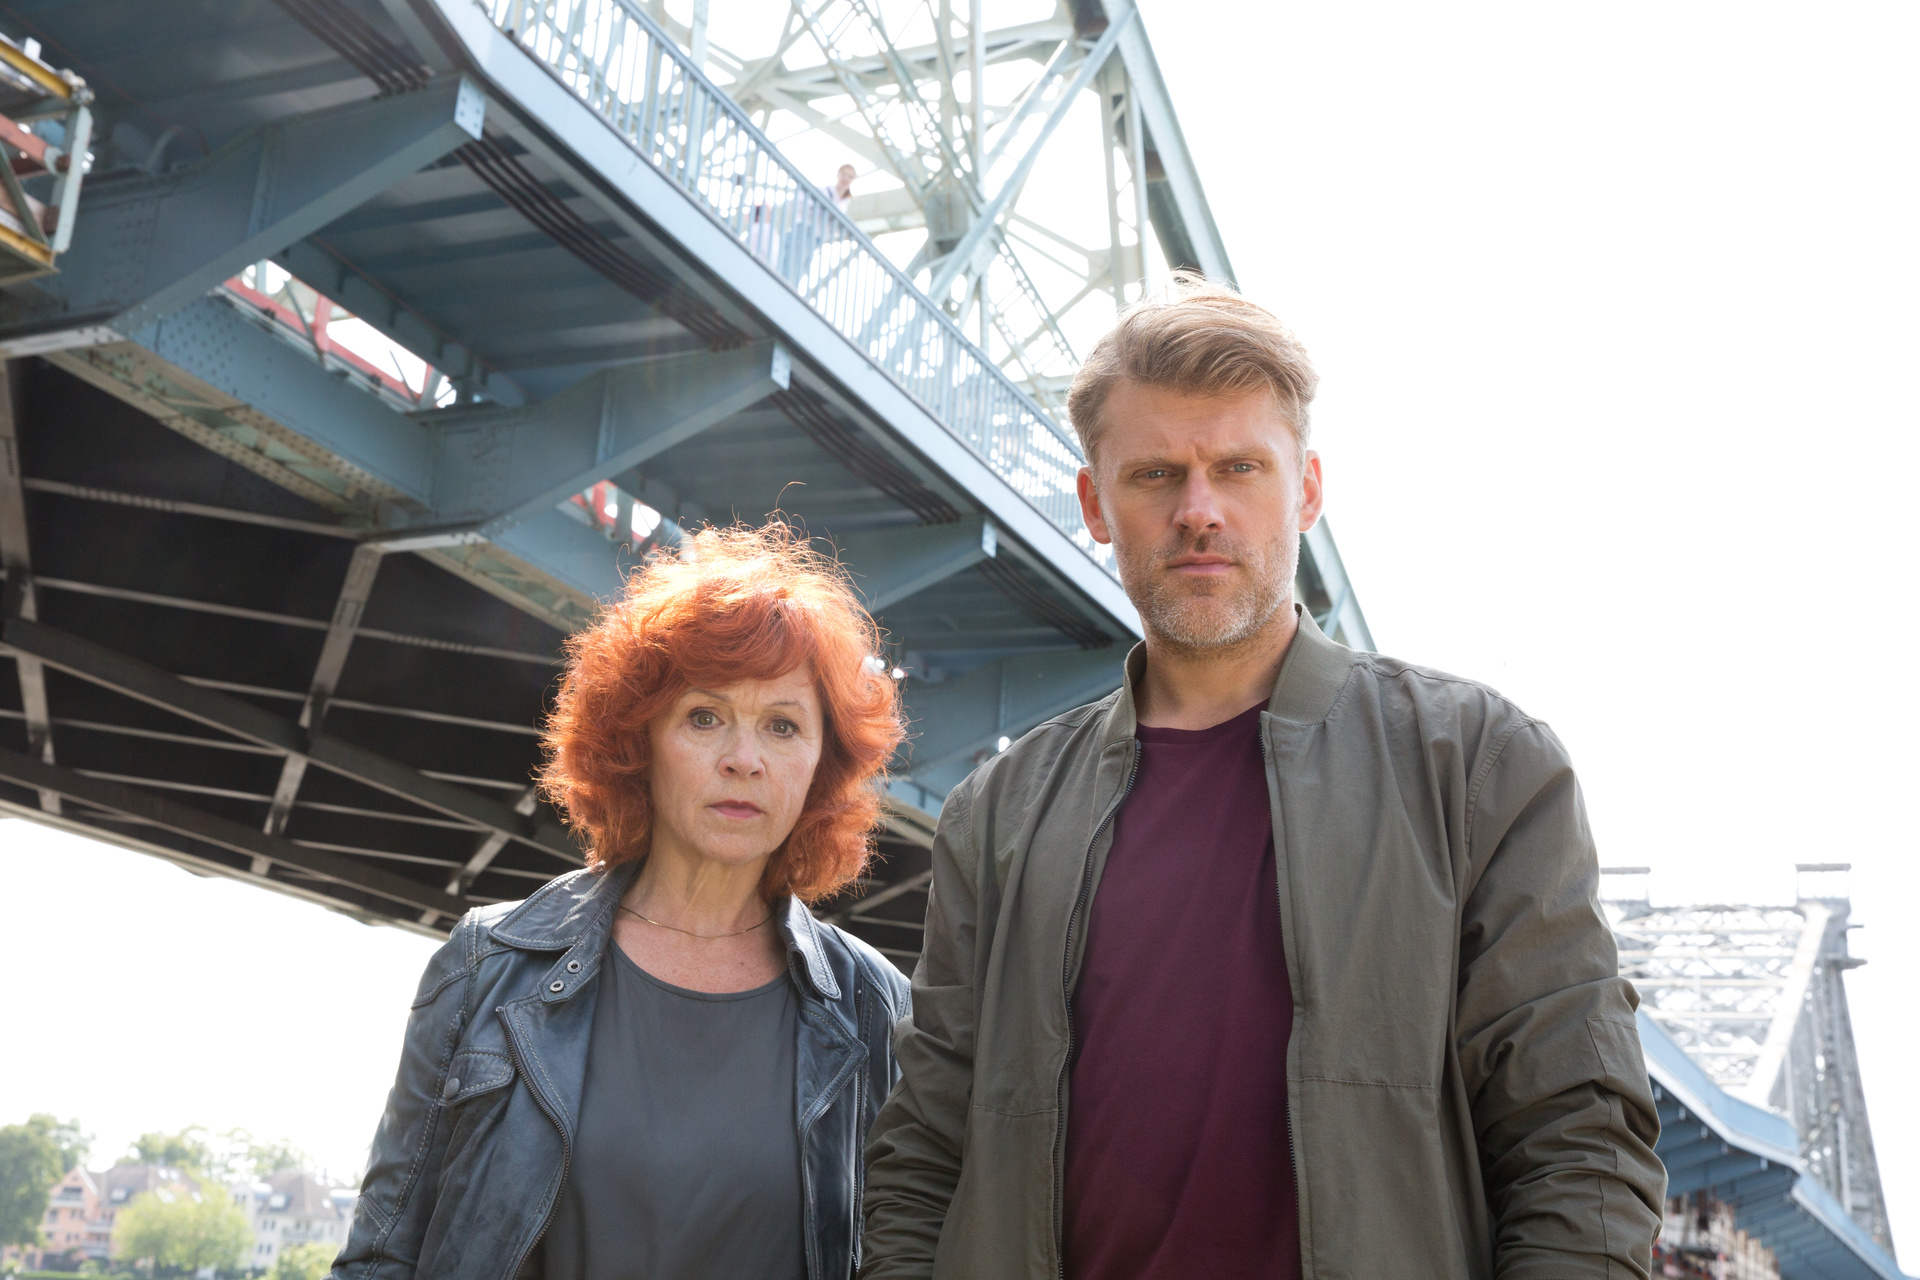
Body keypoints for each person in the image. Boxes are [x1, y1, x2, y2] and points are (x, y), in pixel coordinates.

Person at [860, 273, 1666, 1278]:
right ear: (1095, 505)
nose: (1199, 511)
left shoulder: (1479, 767)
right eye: (1156, 474)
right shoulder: (999, 813)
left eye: (1239, 467)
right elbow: (926, 1151)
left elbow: (1578, 1141)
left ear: (1308, 490)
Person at [333, 524, 909, 1280]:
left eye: (782, 725)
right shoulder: (488, 964)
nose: (745, 759)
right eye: (705, 717)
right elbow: (381, 1258)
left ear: (821, 764)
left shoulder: (875, 1007)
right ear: (639, 742)